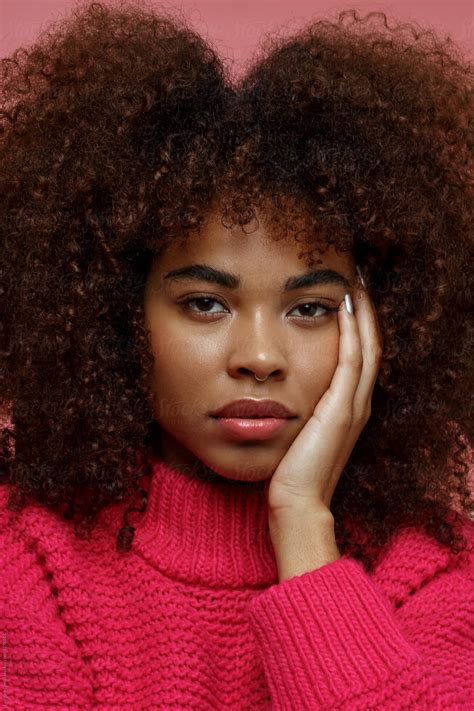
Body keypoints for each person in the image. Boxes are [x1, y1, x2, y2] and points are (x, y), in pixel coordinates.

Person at [0, 1, 473, 708]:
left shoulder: (436, 576)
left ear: (388, 320)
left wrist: (304, 526)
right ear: (116, 312)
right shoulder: (27, 562)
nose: (259, 355)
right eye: (205, 303)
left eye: (310, 308)